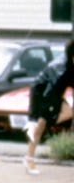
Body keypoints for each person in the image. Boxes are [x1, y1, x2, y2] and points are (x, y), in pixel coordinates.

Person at [23, 40, 74, 174]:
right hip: (42, 93)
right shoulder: (60, 68)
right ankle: (29, 159)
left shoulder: (70, 64)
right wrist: (42, 112)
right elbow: (49, 91)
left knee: (47, 121)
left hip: (53, 94)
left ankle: (48, 123)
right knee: (39, 125)